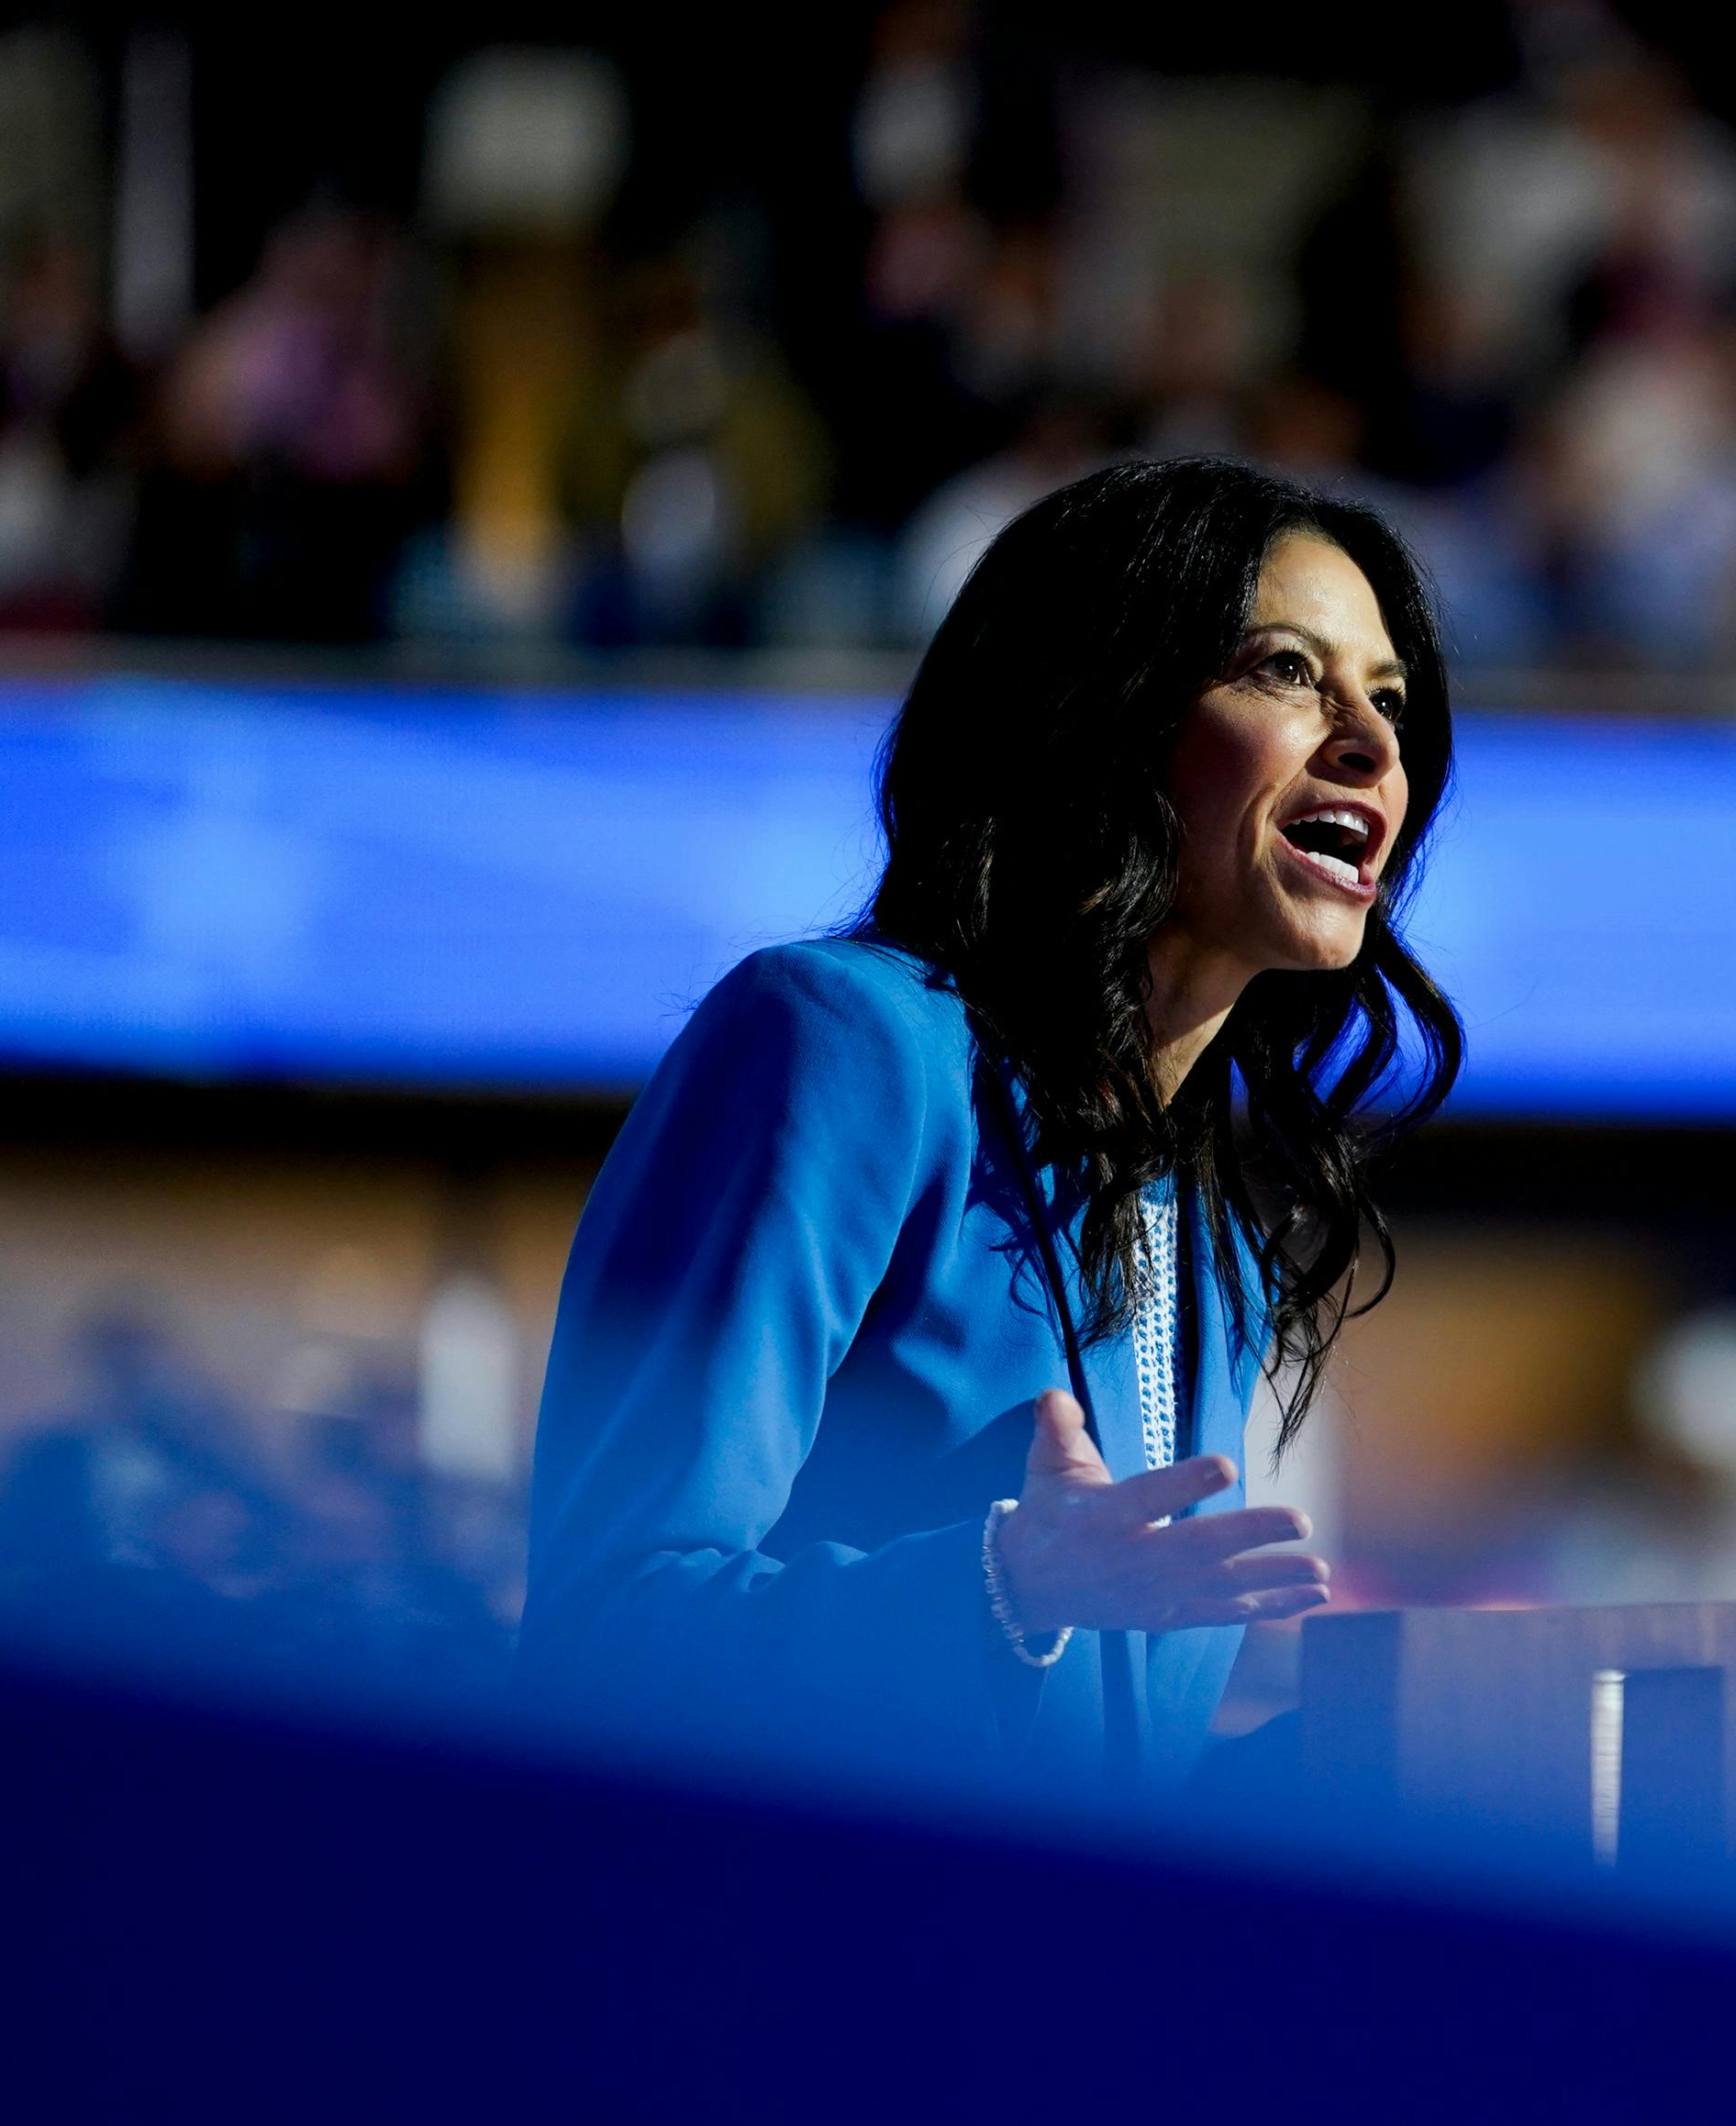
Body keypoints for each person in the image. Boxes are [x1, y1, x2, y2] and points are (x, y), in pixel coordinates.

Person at [524, 460, 1461, 1784]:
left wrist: (1445, 1767)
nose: (1370, 744)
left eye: (1389, 700)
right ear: (1105, 709)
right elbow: (599, 1639)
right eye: (1288, 672)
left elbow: (1107, 1794)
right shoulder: (844, 1049)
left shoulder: (1221, 1246)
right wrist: (995, 1590)